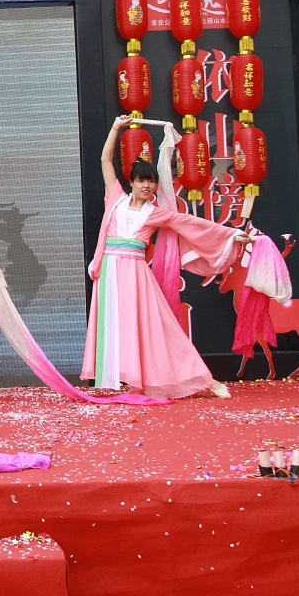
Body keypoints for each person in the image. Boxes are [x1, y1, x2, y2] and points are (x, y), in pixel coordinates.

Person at [82, 115, 251, 399]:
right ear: (132, 182)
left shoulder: (156, 213)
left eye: (151, 182)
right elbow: (104, 160)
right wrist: (115, 127)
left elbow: (192, 224)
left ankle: (204, 379)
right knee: (114, 327)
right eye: (141, 181)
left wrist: (232, 235)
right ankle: (124, 381)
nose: (146, 186)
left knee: (157, 327)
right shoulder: (116, 199)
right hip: (109, 270)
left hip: (135, 274)